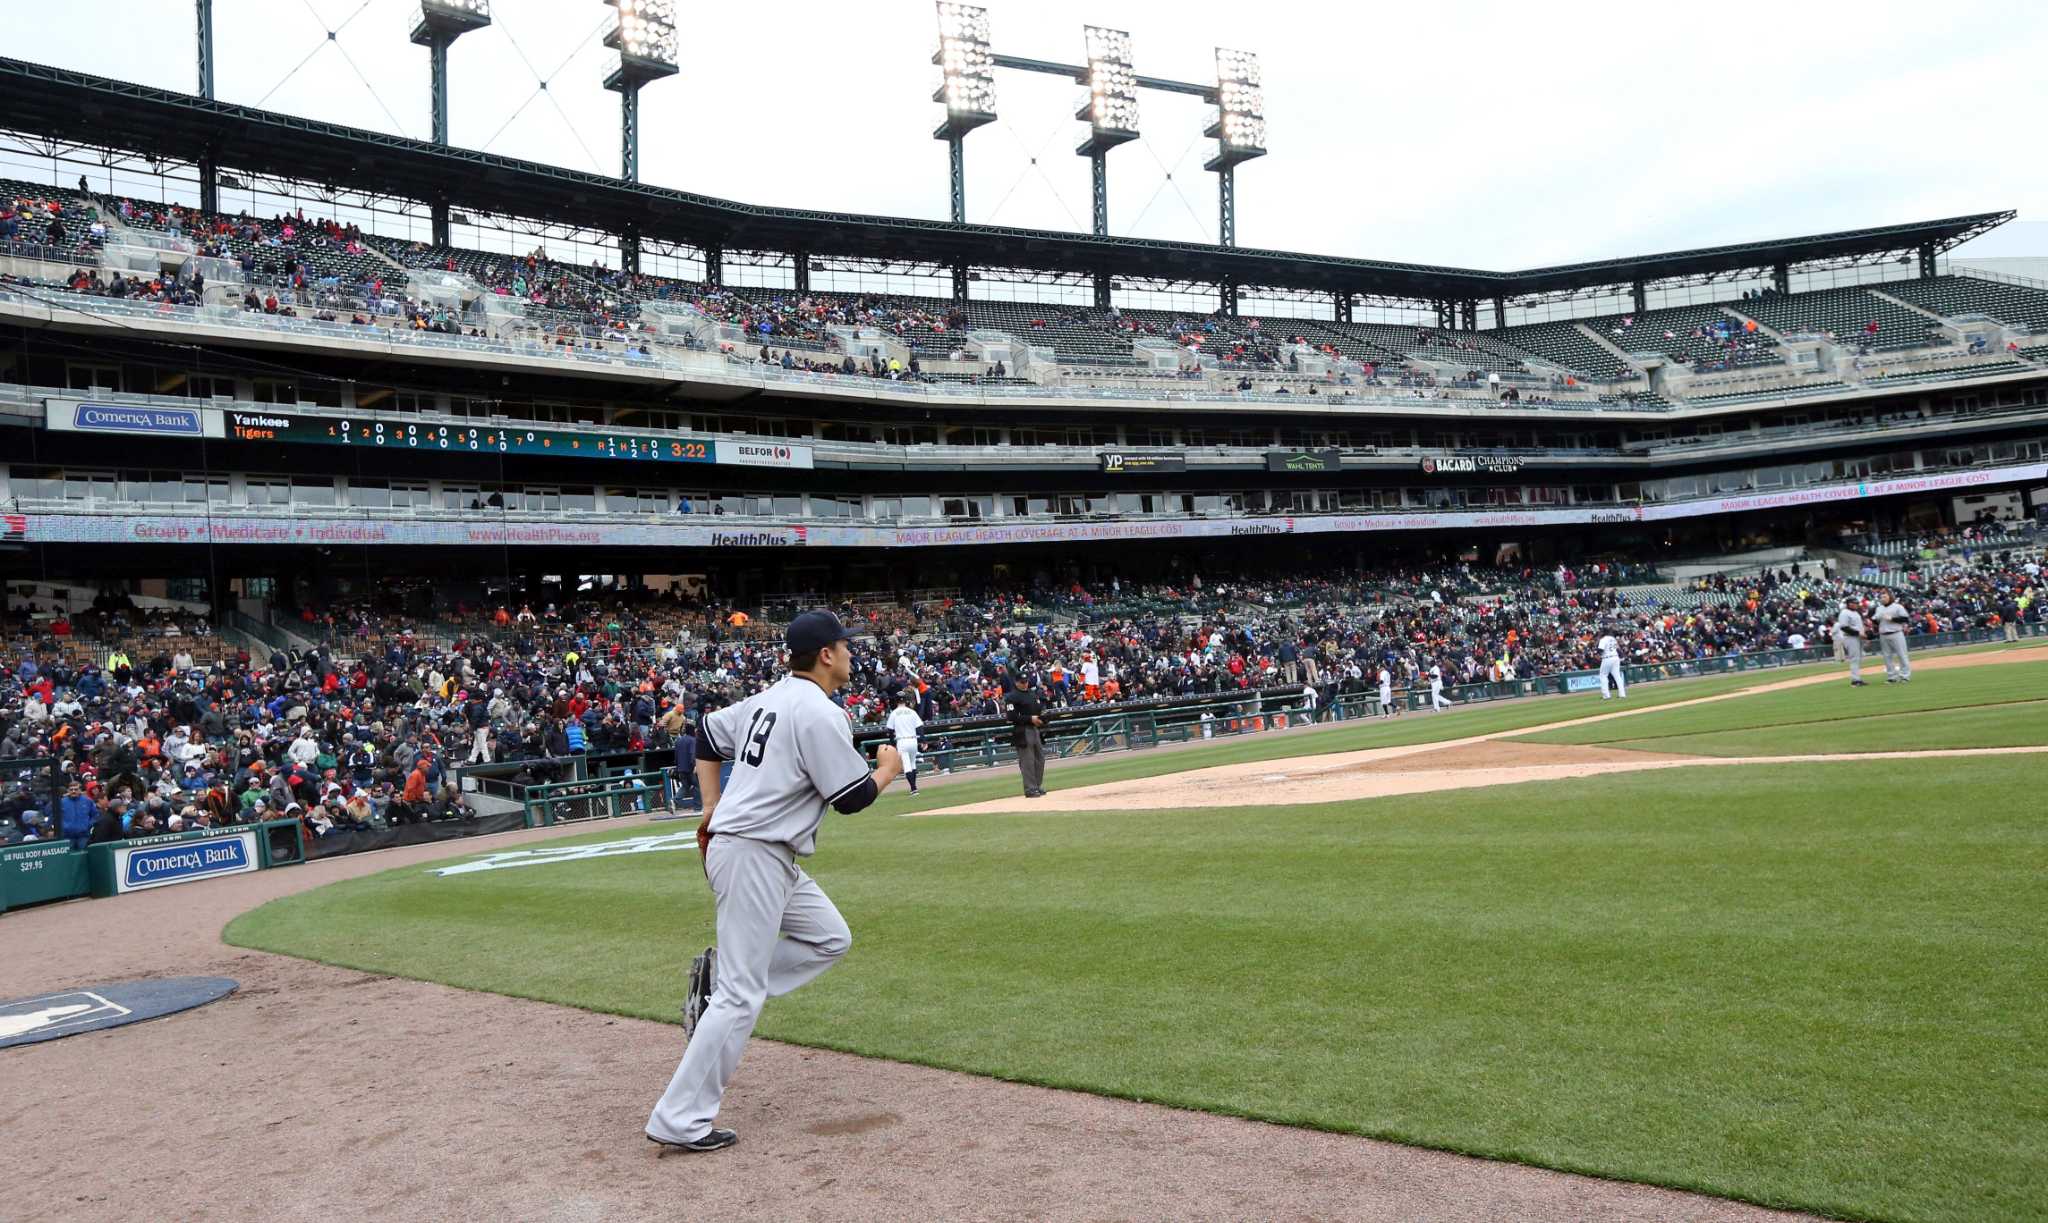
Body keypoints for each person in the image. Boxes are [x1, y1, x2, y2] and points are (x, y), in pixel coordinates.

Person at [646, 611, 902, 1155]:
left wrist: (711, 802)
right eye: (845, 646)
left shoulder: (765, 699)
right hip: (753, 852)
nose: (852, 654)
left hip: (760, 852)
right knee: (741, 995)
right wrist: (888, 768)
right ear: (826, 654)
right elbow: (852, 798)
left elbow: (707, 737)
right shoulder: (817, 711)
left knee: (830, 937)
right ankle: (681, 1118)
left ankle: (718, 990)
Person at [1005, 670, 1047, 798]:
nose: (1024, 684)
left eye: (1026, 681)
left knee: (1040, 759)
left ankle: (1037, 786)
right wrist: (1030, 719)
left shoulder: (1032, 694)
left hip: (1035, 729)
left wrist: (1042, 719)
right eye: (1022, 682)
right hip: (1022, 730)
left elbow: (1039, 710)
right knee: (1027, 761)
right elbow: (1011, 716)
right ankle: (1030, 788)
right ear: (1016, 682)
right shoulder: (1012, 697)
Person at [885, 692, 924, 794]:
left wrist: (892, 743)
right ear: (905, 700)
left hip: (902, 740)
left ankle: (913, 788)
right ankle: (914, 787)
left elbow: (889, 730)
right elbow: (920, 727)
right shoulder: (912, 712)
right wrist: (923, 740)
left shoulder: (894, 713)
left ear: (896, 701)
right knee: (913, 764)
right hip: (913, 740)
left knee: (907, 765)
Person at [1871, 589, 1912, 683]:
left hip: (1896, 633)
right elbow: (1876, 621)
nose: (1883, 598)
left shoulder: (1897, 607)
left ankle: (1905, 676)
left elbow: (1905, 619)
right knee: (1887, 656)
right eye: (1881, 597)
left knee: (1902, 655)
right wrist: (1874, 620)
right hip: (1883, 634)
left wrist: (1892, 618)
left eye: (1885, 596)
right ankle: (1891, 677)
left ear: (1890, 597)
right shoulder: (1879, 608)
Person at [1835, 599, 1869, 686]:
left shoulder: (1856, 613)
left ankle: (1858, 679)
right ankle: (1855, 680)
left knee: (1858, 658)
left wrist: (1864, 636)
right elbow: (1844, 627)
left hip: (1857, 637)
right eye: (1854, 603)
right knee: (1854, 659)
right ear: (1849, 604)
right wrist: (1858, 633)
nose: (1856, 604)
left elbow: (1859, 626)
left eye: (1857, 603)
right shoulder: (1844, 613)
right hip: (1850, 637)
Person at [1597, 630, 1627, 700]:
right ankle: (1622, 694)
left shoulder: (1603, 639)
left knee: (1603, 675)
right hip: (1616, 657)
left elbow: (1600, 650)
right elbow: (1618, 649)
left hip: (1607, 658)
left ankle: (1606, 696)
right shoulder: (1613, 639)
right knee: (1618, 676)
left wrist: (1597, 654)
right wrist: (1622, 657)